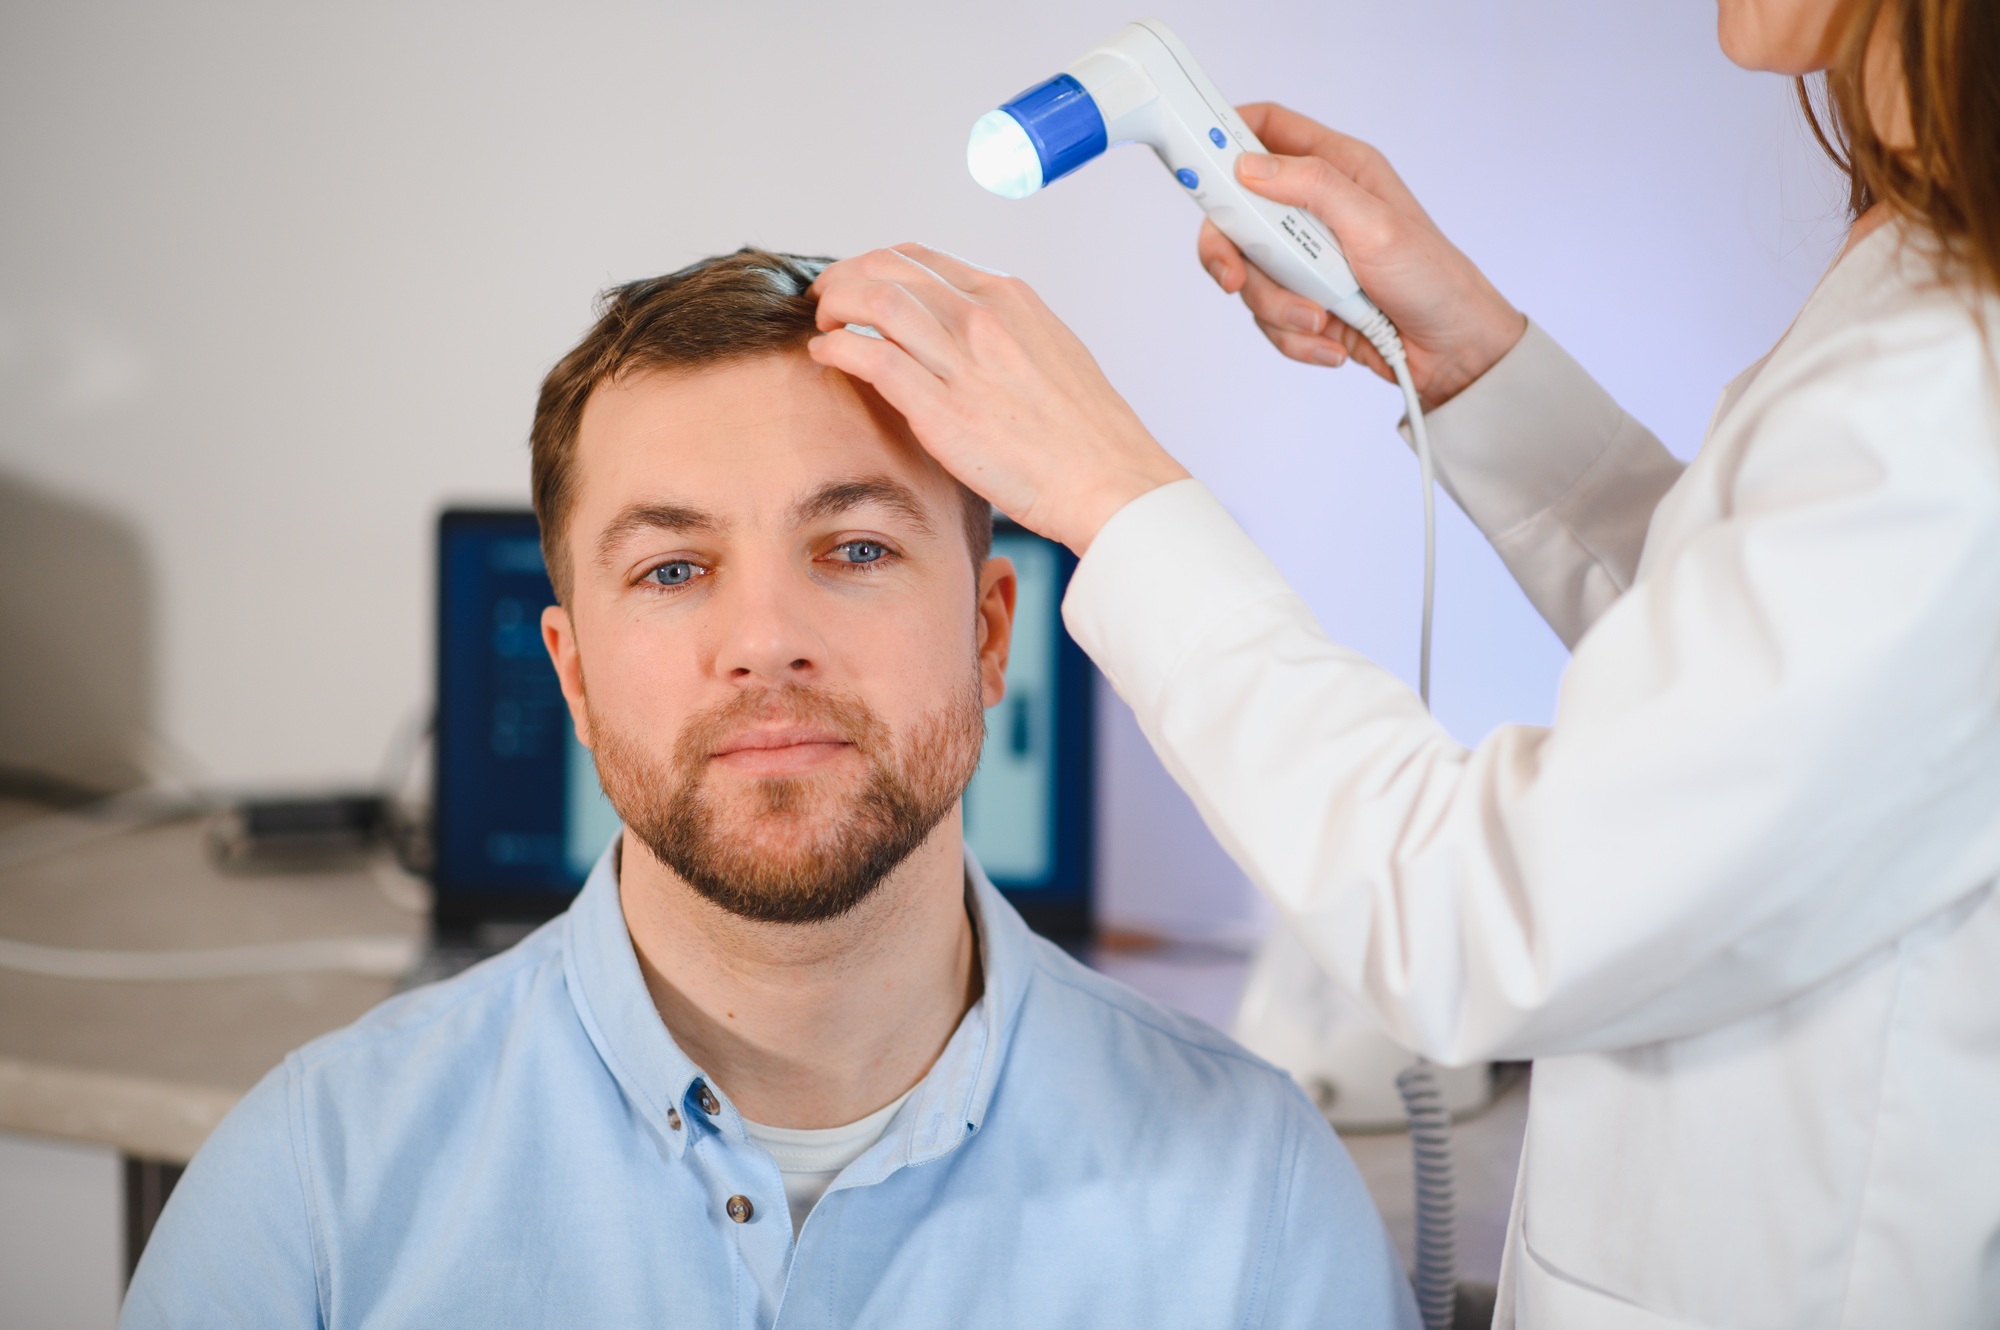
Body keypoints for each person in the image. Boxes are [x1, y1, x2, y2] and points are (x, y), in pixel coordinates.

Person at [802, 1, 2000, 1325]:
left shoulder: (1955, 384)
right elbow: (1768, 687)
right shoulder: (1925, 275)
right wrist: (1474, 362)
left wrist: (1108, 487)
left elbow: (1488, 919)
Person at [121, 249, 1418, 1329]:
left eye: (854, 547)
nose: (767, 638)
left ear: (987, 634)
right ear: (570, 677)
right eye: (674, 569)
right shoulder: (310, 1191)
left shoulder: (1261, 1203)